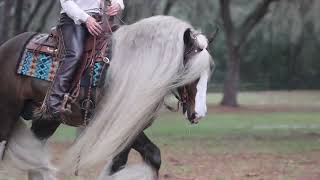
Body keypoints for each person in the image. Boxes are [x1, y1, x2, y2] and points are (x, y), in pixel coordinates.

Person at [43, 0, 124, 121]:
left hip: (101, 22)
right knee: (74, 54)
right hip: (73, 22)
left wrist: (117, 5)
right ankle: (53, 101)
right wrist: (86, 19)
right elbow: (66, 3)